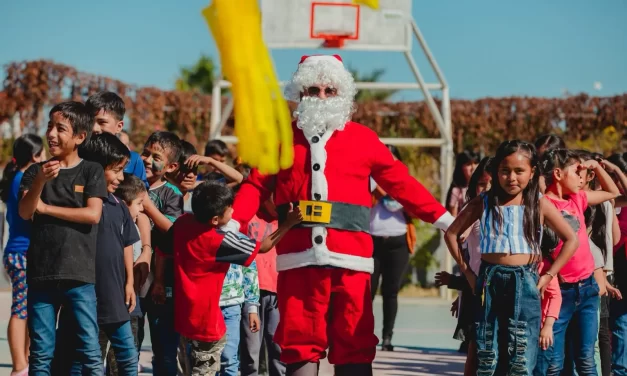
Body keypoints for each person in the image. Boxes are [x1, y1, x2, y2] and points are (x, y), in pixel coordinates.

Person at [231, 54, 455, 376]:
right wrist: (232, 225)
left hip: (351, 264)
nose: (320, 97)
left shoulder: (364, 139)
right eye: (312, 90)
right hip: (298, 263)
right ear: (300, 94)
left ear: (343, 94)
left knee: (355, 343)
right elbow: (254, 186)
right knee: (298, 347)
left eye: (329, 90)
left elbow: (402, 185)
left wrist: (446, 221)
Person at [444, 140, 579, 375]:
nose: (512, 178)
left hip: (525, 281)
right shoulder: (483, 202)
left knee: (521, 352)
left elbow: (571, 239)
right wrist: (468, 273)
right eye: (505, 171)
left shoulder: (539, 204)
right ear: (497, 171)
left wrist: (548, 275)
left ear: (532, 172)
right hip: (489, 279)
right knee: (487, 352)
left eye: (519, 171)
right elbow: (452, 234)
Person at [156, 181, 303, 375]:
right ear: (215, 220)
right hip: (208, 322)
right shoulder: (218, 241)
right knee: (207, 370)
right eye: (229, 209)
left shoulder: (183, 223)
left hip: (185, 315)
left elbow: (164, 247)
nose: (233, 211)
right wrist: (288, 224)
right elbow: (264, 247)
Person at [19, 101, 107, 374]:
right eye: (49, 127)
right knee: (41, 355)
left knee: (90, 352)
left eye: (61, 128)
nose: (52, 134)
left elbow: (93, 215)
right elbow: (25, 212)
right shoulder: (36, 172)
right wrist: (39, 184)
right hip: (42, 275)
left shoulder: (92, 170)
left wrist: (45, 209)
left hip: (79, 276)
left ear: (80, 137)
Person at [540, 148, 620, 376]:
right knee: (553, 362)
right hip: (559, 293)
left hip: (586, 290)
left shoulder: (577, 198)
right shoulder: (543, 204)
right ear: (557, 174)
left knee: (586, 359)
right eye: (576, 172)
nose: (582, 177)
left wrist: (595, 166)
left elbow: (612, 192)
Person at [79, 133, 140, 375]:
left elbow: (127, 243)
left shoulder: (118, 205)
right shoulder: (81, 203)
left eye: (123, 170)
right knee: (88, 358)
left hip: (116, 295)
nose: (121, 177)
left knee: (127, 354)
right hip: (87, 295)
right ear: (96, 168)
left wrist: (129, 282)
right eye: (116, 170)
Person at [435, 156, 492, 376]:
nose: (486, 189)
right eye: (481, 184)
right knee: (475, 349)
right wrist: (464, 281)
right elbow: (454, 237)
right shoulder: (473, 212)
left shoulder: (510, 212)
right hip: (477, 289)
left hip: (503, 287)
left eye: (491, 184)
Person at [0, 134, 44, 376]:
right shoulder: (23, 180)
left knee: (26, 308)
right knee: (20, 310)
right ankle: (19, 367)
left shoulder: (18, 177)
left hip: (20, 252)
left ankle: (23, 362)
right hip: (21, 253)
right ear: (36, 156)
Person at [141, 131, 184, 376]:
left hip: (163, 285)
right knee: (129, 344)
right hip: (136, 279)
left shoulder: (171, 194)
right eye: (145, 153)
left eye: (155, 156)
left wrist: (146, 204)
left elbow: (171, 231)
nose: (147, 159)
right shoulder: (133, 185)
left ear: (171, 167)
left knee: (164, 348)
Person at [369, 144, 417, 351]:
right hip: (371, 241)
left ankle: (387, 337)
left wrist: (398, 196)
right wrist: (376, 190)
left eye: (393, 158)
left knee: (391, 292)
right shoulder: (368, 180)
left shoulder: (405, 182)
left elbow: (416, 211)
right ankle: (363, 336)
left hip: (398, 243)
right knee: (366, 292)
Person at [240, 198, 285, 376]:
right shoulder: (248, 216)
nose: (277, 202)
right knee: (251, 350)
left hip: (277, 290)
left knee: (278, 346)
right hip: (251, 291)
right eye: (274, 197)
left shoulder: (287, 219)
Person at [114, 174, 149, 375]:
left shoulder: (135, 227)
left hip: (132, 306)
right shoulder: (113, 228)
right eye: (139, 203)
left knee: (128, 359)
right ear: (125, 204)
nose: (142, 209)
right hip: (113, 305)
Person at [86, 91, 147, 186]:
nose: (94, 128)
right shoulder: (77, 154)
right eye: (90, 122)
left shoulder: (133, 160)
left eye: (102, 122)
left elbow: (140, 195)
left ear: (119, 126)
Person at [445, 150, 480, 216]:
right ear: (461, 168)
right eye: (469, 164)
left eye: (475, 163)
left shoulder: (487, 187)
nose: (473, 167)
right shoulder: (457, 191)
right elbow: (453, 219)